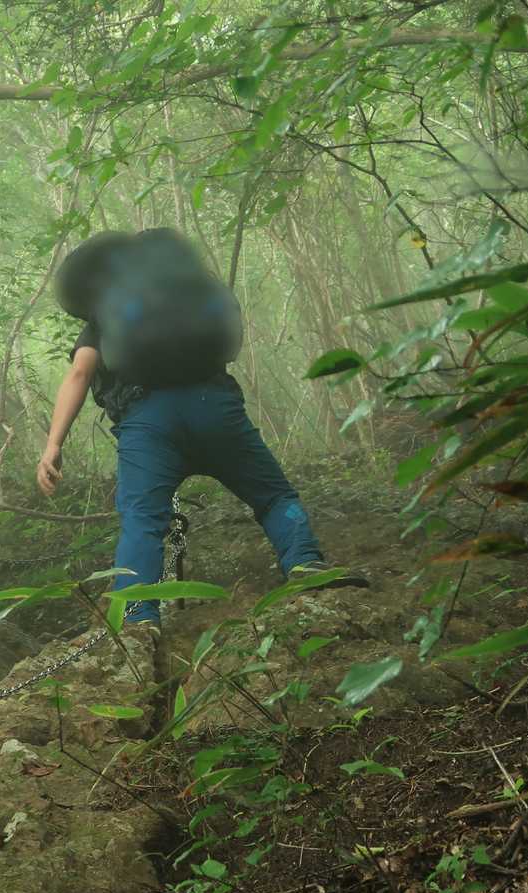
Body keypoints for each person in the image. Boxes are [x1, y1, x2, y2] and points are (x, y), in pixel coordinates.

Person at [37, 229, 367, 632]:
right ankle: (305, 563)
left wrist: (53, 444)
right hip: (214, 407)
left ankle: (137, 618)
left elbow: (79, 373)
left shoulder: (106, 315)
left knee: (143, 520)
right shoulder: (188, 295)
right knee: (273, 496)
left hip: (148, 424)